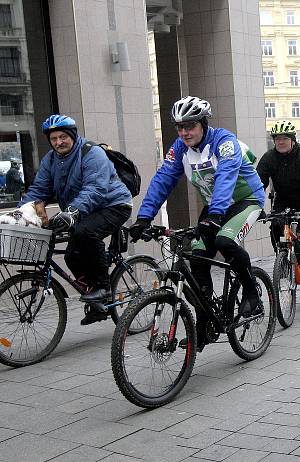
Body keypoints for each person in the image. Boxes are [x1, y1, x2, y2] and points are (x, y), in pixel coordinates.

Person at [130, 97, 265, 348]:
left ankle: (251, 292)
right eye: (179, 127)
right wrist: (144, 217)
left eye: (190, 126)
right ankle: (204, 322)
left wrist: (214, 216)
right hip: (216, 206)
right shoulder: (180, 148)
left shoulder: (224, 142)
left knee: (225, 239)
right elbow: (163, 179)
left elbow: (226, 176)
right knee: (197, 255)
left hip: (245, 200)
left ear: (203, 123)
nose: (184, 132)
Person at [22, 115, 132, 325]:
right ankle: (97, 306)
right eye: (53, 138)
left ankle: (103, 288)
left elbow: (96, 188)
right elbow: (39, 189)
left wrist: (72, 211)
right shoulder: (50, 159)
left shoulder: (92, 153)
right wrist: (21, 212)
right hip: (81, 210)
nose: (58, 142)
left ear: (72, 135)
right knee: (72, 256)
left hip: (114, 205)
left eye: (63, 137)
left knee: (86, 233)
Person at [257, 120, 300, 290]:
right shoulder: (269, 158)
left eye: (284, 138)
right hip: (283, 201)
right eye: (277, 138)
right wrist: (255, 206)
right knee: (275, 228)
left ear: (292, 139)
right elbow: (258, 184)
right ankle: (283, 260)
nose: (280, 142)